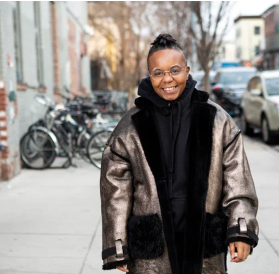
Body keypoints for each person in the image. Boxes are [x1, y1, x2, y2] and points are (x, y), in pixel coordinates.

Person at [100, 34, 259, 274]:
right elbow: (115, 190)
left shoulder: (217, 120)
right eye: (158, 73)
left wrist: (242, 228)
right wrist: (117, 243)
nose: (167, 79)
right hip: (152, 248)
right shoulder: (130, 126)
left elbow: (238, 180)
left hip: (203, 239)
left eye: (174, 70)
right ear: (149, 75)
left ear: (187, 70)